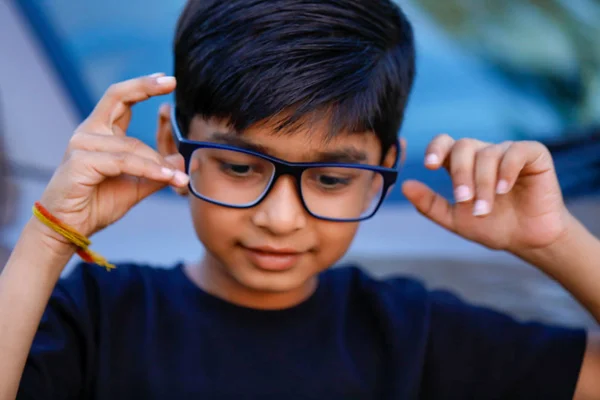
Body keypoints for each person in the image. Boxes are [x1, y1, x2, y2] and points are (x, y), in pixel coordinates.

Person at [2, 0, 600, 398]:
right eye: (239, 166)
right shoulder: (95, 320)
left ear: (382, 169)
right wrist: (48, 238)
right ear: (170, 143)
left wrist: (556, 242)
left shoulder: (411, 335)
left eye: (331, 179)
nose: (279, 218)